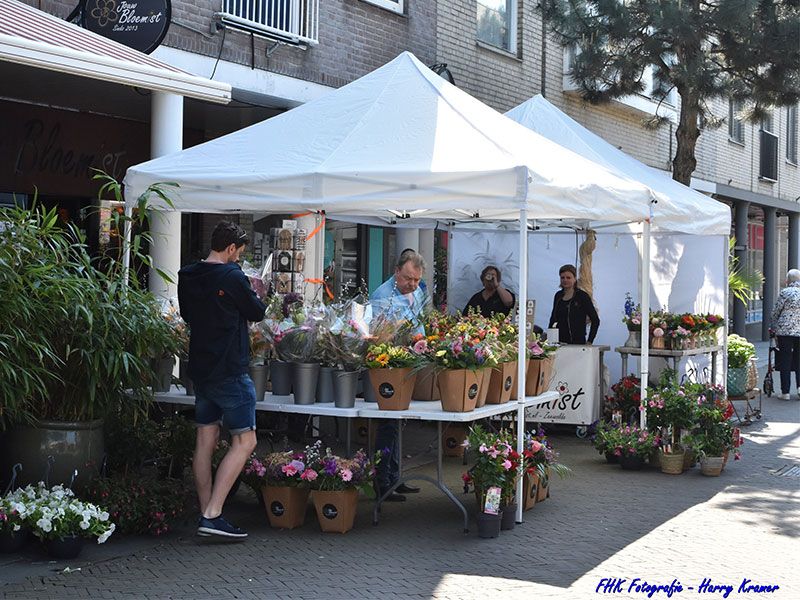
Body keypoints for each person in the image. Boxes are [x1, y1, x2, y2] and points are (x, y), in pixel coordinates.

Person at [178, 221, 267, 539]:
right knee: (246, 441)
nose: (239, 258)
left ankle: (206, 512)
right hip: (229, 369)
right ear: (230, 248)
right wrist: (257, 289)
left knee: (205, 441)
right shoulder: (232, 276)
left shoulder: (187, 275)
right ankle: (213, 513)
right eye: (239, 253)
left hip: (201, 368)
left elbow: (188, 315)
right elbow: (257, 311)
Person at [369, 250, 428, 502]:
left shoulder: (416, 292)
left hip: (407, 366)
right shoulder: (382, 296)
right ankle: (381, 480)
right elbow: (379, 335)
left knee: (397, 424)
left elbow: (419, 325)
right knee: (388, 425)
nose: (412, 285)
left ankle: (394, 477)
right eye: (407, 279)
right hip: (389, 368)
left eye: (416, 280)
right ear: (396, 272)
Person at [547, 263, 599, 345]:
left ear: (575, 279)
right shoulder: (558, 296)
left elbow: (595, 320)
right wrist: (550, 341)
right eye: (562, 278)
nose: (565, 280)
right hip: (559, 343)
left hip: (577, 343)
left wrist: (590, 341)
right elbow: (553, 319)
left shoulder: (582, 296)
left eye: (568, 277)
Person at [771, 268, 800, 400]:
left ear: (788, 280)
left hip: (785, 332)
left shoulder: (785, 292)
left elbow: (776, 311)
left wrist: (772, 326)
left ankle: (785, 392)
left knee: (785, 360)